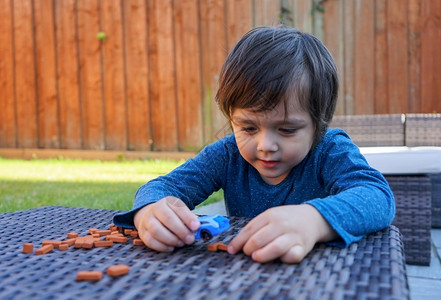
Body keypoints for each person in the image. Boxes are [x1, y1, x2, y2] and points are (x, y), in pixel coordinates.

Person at [113, 26, 395, 263]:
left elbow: (377, 196)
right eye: (248, 127)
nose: (265, 145)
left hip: (321, 276)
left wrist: (314, 220)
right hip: (243, 277)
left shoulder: (329, 150)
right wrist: (150, 210)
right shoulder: (227, 155)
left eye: (286, 129)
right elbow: (162, 187)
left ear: (318, 123)